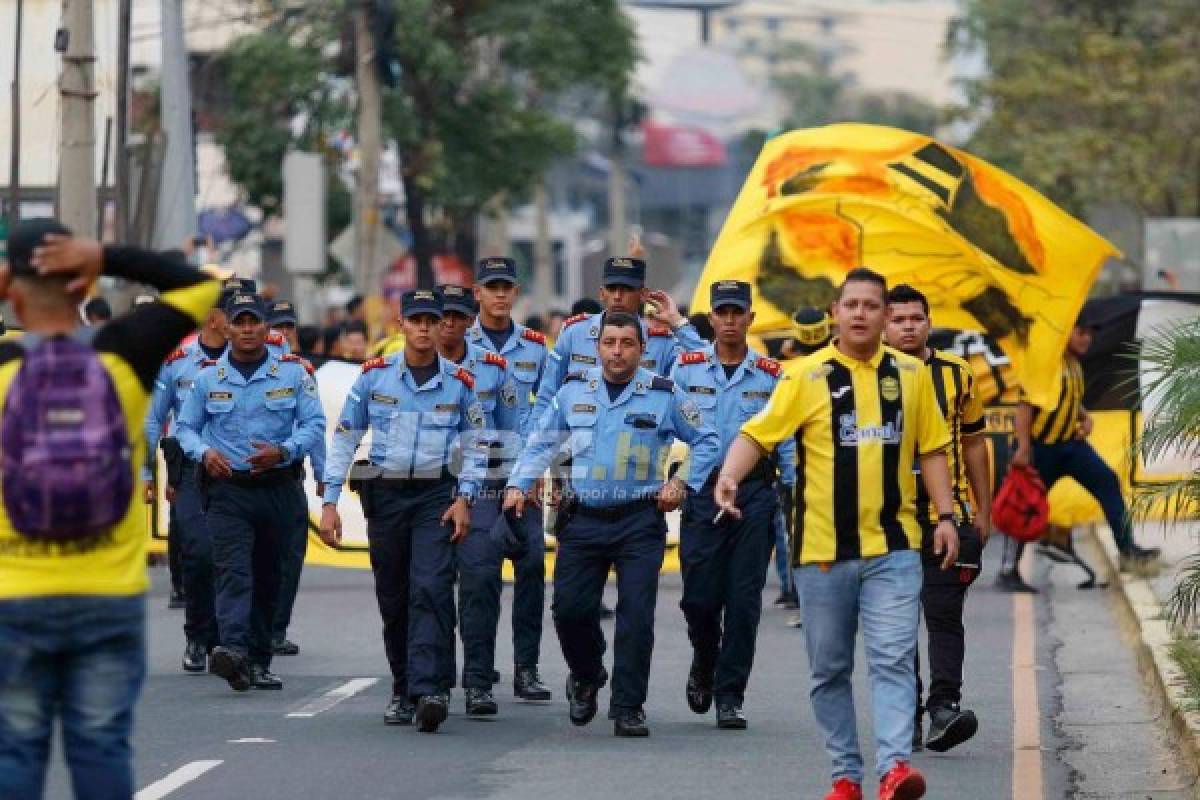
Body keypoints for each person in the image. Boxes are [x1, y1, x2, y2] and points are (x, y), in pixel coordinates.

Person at [715, 268, 959, 800]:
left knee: (893, 659)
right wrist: (730, 477)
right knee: (830, 670)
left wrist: (946, 517)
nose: (860, 314)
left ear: (885, 316)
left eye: (872, 306)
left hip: (893, 548)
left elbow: (932, 450)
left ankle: (894, 769)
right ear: (835, 311)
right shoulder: (804, 376)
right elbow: (757, 434)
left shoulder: (912, 377)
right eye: (851, 304)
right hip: (821, 552)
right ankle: (846, 777)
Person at [0, 221, 221, 800]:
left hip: (13, 595)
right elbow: (200, 287)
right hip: (106, 593)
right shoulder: (123, 353)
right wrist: (107, 255)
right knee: (100, 746)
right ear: (82, 286)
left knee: (16, 749)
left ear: (11, 290)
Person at [504, 312, 720, 738]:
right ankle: (586, 673)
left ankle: (628, 705)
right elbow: (542, 441)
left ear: (642, 350)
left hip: (639, 521)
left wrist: (681, 482)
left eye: (627, 343)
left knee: (636, 617)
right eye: (610, 343)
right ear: (598, 347)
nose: (617, 351)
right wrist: (518, 483)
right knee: (569, 611)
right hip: (582, 520)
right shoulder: (572, 392)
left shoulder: (664, 393)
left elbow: (708, 439)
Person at [318, 289, 485, 734]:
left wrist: (465, 498)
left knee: (430, 588)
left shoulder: (460, 383)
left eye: (433, 320)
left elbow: (477, 447)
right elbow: (345, 440)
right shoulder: (374, 378)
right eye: (417, 320)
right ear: (402, 325)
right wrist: (329, 502)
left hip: (437, 497)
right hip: (387, 497)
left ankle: (430, 690)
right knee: (394, 597)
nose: (426, 328)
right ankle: (403, 687)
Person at [176, 293, 326, 693]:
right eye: (238, 322)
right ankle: (232, 649)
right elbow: (184, 428)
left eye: (253, 322)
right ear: (225, 327)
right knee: (233, 571)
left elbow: (314, 424)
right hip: (229, 491)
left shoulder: (293, 375)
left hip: (279, 487)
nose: (246, 329)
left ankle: (259, 661)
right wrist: (203, 452)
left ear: (266, 328)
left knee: (269, 576)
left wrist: (285, 450)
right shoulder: (207, 379)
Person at [670, 280, 796, 730]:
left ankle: (729, 693)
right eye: (720, 313)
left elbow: (784, 440)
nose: (728, 321)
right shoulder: (685, 370)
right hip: (701, 491)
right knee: (699, 599)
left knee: (743, 601)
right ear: (711, 318)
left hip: (755, 495)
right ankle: (705, 658)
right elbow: (665, 429)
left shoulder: (770, 374)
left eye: (736, 313)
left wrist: (794, 493)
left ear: (749, 319)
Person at [885, 284, 991, 753]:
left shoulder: (958, 374)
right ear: (886, 326)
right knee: (896, 621)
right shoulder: (868, 375)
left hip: (949, 518)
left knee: (944, 615)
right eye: (899, 318)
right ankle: (905, 711)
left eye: (916, 318)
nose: (908, 326)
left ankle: (943, 708)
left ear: (929, 322)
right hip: (887, 519)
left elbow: (972, 442)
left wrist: (983, 510)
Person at [998, 317, 1160, 591]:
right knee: (1026, 507)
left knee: (1107, 482)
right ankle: (1008, 569)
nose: (1087, 339)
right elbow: (1025, 408)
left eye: (1090, 333)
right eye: (1081, 332)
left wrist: (1084, 417)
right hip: (1041, 449)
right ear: (1065, 333)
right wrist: (1023, 447)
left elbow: (1070, 397)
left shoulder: (1073, 363)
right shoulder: (1046, 363)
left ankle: (1128, 551)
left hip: (1072, 447)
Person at [466, 257, 554, 702]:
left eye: (507, 287)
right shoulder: (461, 342)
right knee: (479, 577)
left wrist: (535, 466)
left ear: (515, 292)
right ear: (476, 292)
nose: (500, 295)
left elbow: (550, 404)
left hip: (523, 476)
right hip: (476, 477)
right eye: (491, 287)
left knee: (532, 571)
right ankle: (478, 677)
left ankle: (526, 669)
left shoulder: (537, 348)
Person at [144, 283, 238, 673]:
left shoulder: (255, 360)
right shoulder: (178, 361)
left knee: (235, 559)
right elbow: (154, 418)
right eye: (235, 317)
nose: (245, 326)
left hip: (237, 468)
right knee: (198, 553)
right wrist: (147, 470)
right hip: (191, 469)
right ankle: (198, 635)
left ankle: (231, 640)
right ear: (216, 319)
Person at [435, 282, 519, 715]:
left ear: (470, 323)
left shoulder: (494, 367)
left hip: (485, 487)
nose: (448, 324)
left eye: (457, 317)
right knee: (428, 586)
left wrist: (514, 486)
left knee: (481, 581)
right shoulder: (409, 366)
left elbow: (511, 430)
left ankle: (479, 680)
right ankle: (432, 676)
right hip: (427, 487)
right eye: (442, 316)